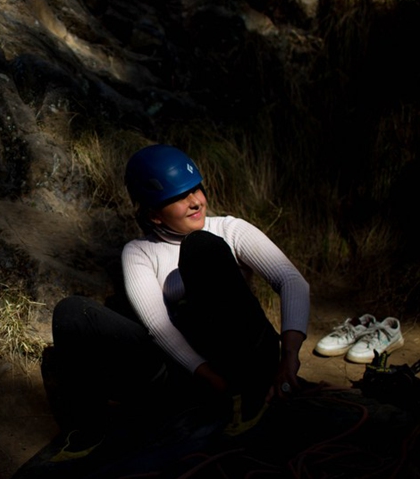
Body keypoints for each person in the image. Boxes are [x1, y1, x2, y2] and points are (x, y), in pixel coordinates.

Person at [48, 144, 310, 456]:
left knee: (201, 246)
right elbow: (157, 326)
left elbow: (291, 280)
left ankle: (247, 394)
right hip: (189, 372)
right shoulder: (139, 251)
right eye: (177, 197)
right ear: (153, 215)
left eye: (195, 189)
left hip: (246, 358)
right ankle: (88, 429)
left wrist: (290, 354)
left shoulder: (229, 229)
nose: (194, 202)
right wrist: (206, 375)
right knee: (72, 311)